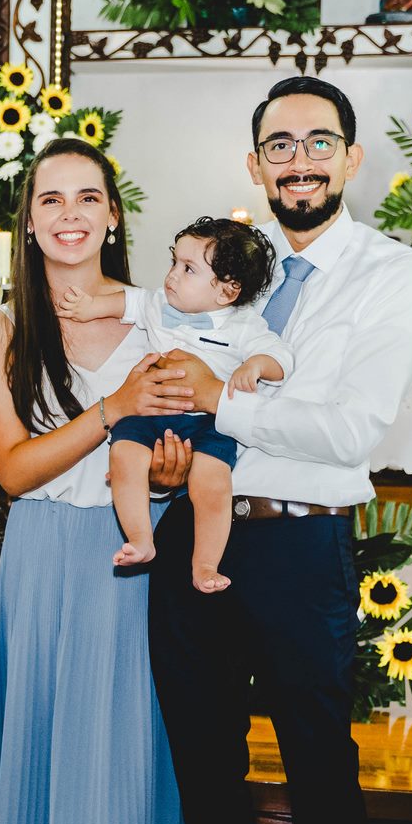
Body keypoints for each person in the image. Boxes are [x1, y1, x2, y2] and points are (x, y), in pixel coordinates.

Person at [141, 76, 412, 824]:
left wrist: (222, 402)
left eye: (318, 141)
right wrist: (170, 446)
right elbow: (166, 372)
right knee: (204, 767)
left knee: (319, 774)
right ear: (255, 162)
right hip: (197, 535)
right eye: (279, 144)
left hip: (301, 545)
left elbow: (352, 428)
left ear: (351, 158)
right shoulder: (227, 263)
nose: (298, 159)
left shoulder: (388, 275)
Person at [0, 137, 201, 824]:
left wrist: (171, 476)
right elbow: (13, 469)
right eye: (51, 199)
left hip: (136, 548)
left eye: (87, 197)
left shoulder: (159, 321)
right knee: (52, 740)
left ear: (112, 217)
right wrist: (114, 408)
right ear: (28, 223)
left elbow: (188, 445)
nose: (70, 214)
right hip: (43, 553)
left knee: (131, 746)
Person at [58, 216, 292, 592]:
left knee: (212, 485)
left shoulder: (243, 326)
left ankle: (205, 564)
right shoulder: (157, 303)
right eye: (174, 262)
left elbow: (281, 358)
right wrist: (90, 306)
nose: (172, 275)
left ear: (227, 291)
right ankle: (140, 539)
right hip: (151, 411)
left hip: (207, 422)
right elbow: (127, 302)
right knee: (124, 457)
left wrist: (256, 365)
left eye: (188, 269)